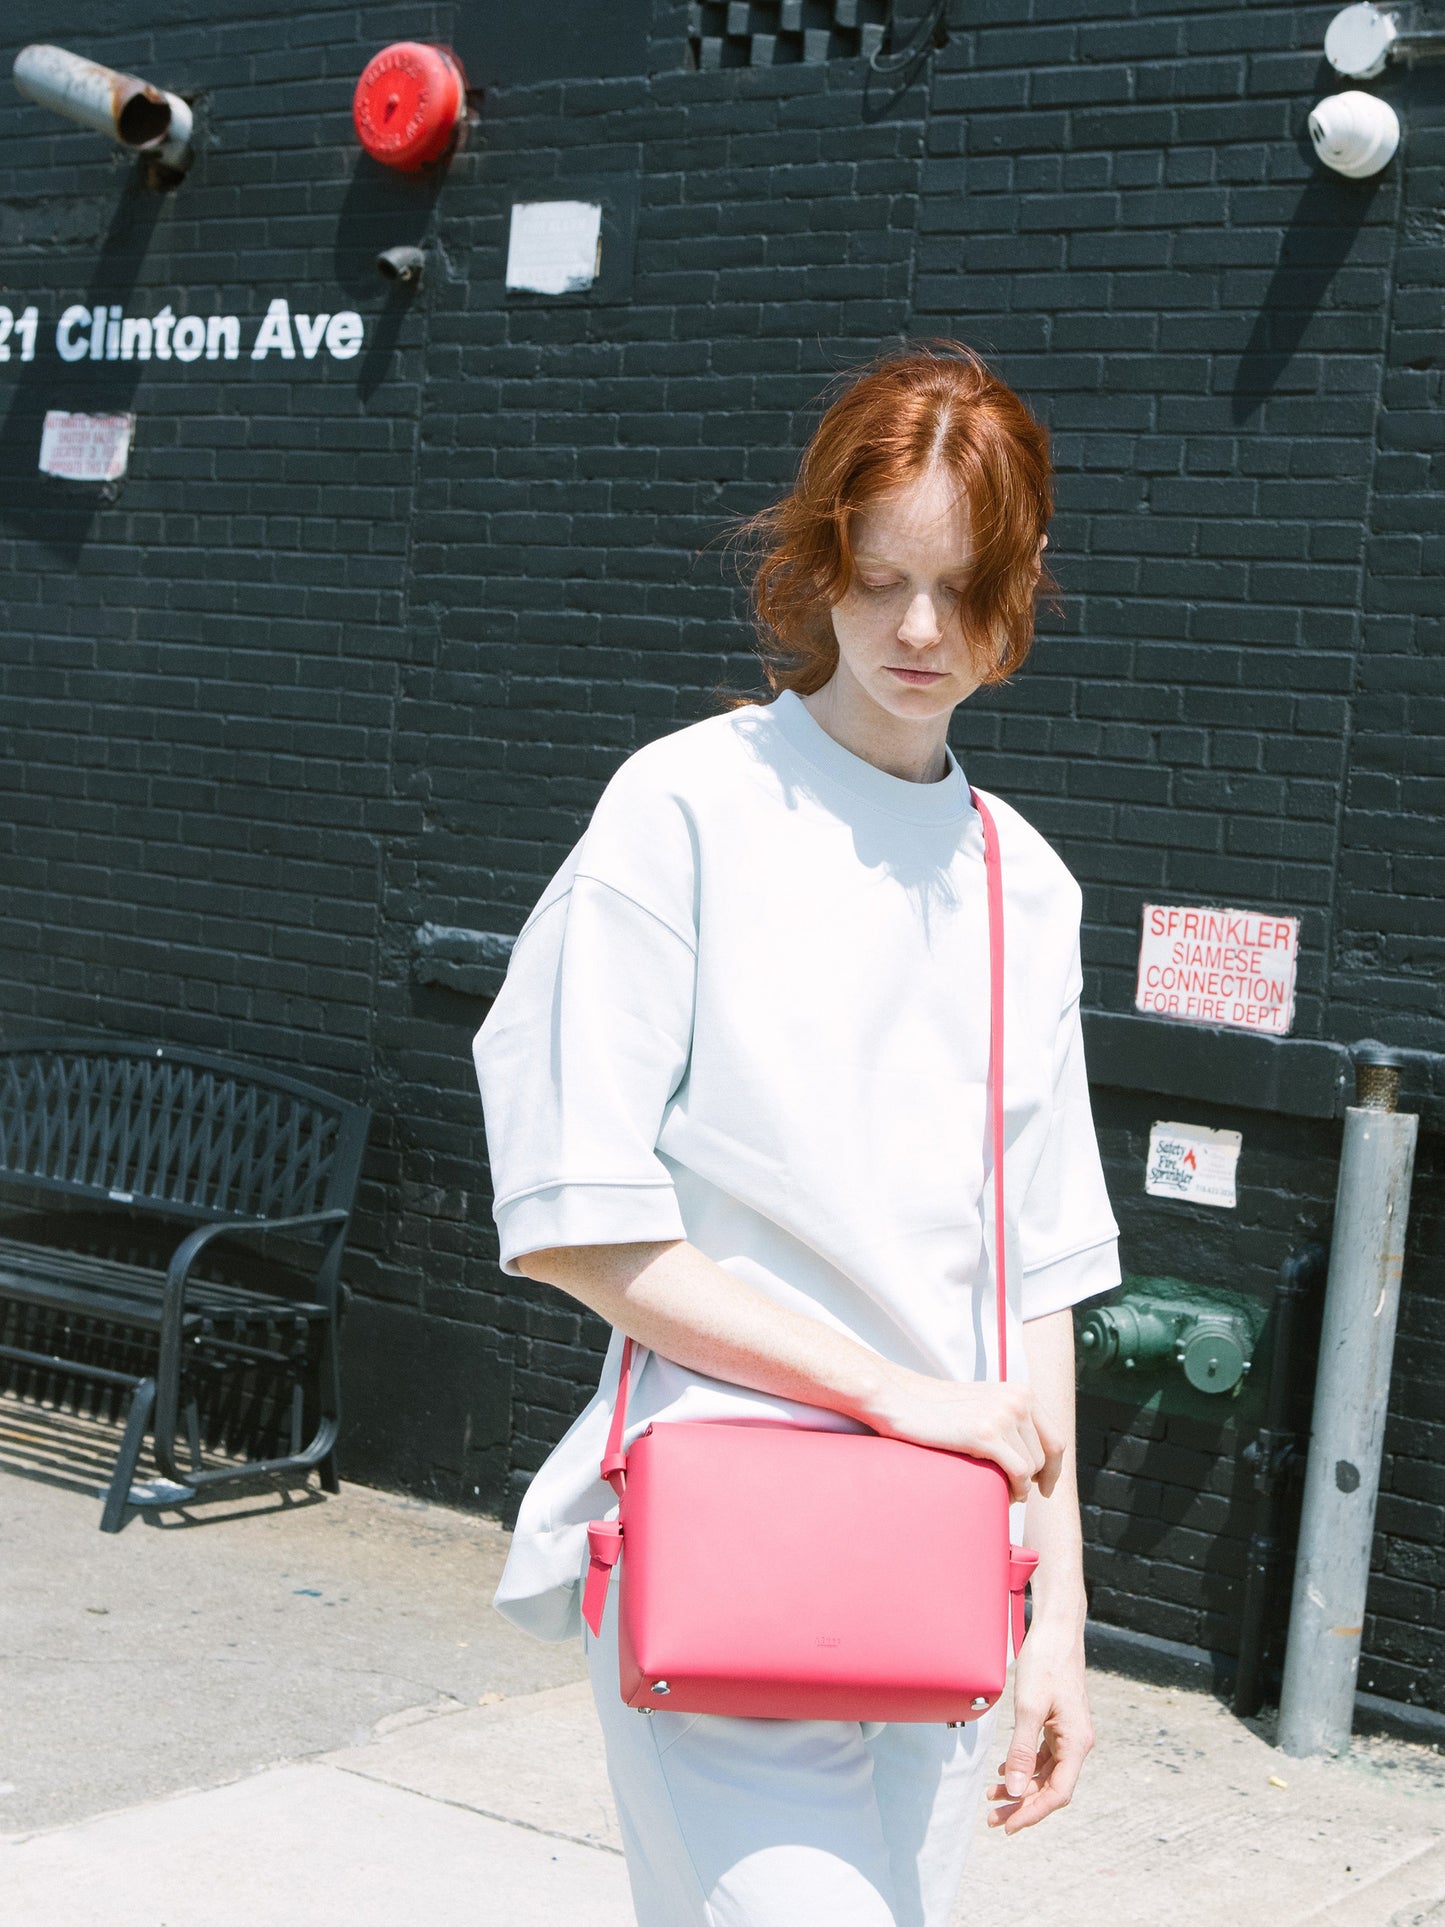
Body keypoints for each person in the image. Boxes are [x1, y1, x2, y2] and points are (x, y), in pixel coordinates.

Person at [472, 340, 1121, 1927]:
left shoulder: (1018, 879)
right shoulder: (685, 807)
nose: (916, 629)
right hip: (733, 1524)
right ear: (819, 558)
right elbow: (580, 1218)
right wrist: (895, 1396)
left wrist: (1056, 1618)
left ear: (1018, 586)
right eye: (880, 576)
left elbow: (1035, 1268)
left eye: (962, 589)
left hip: (949, 1567)